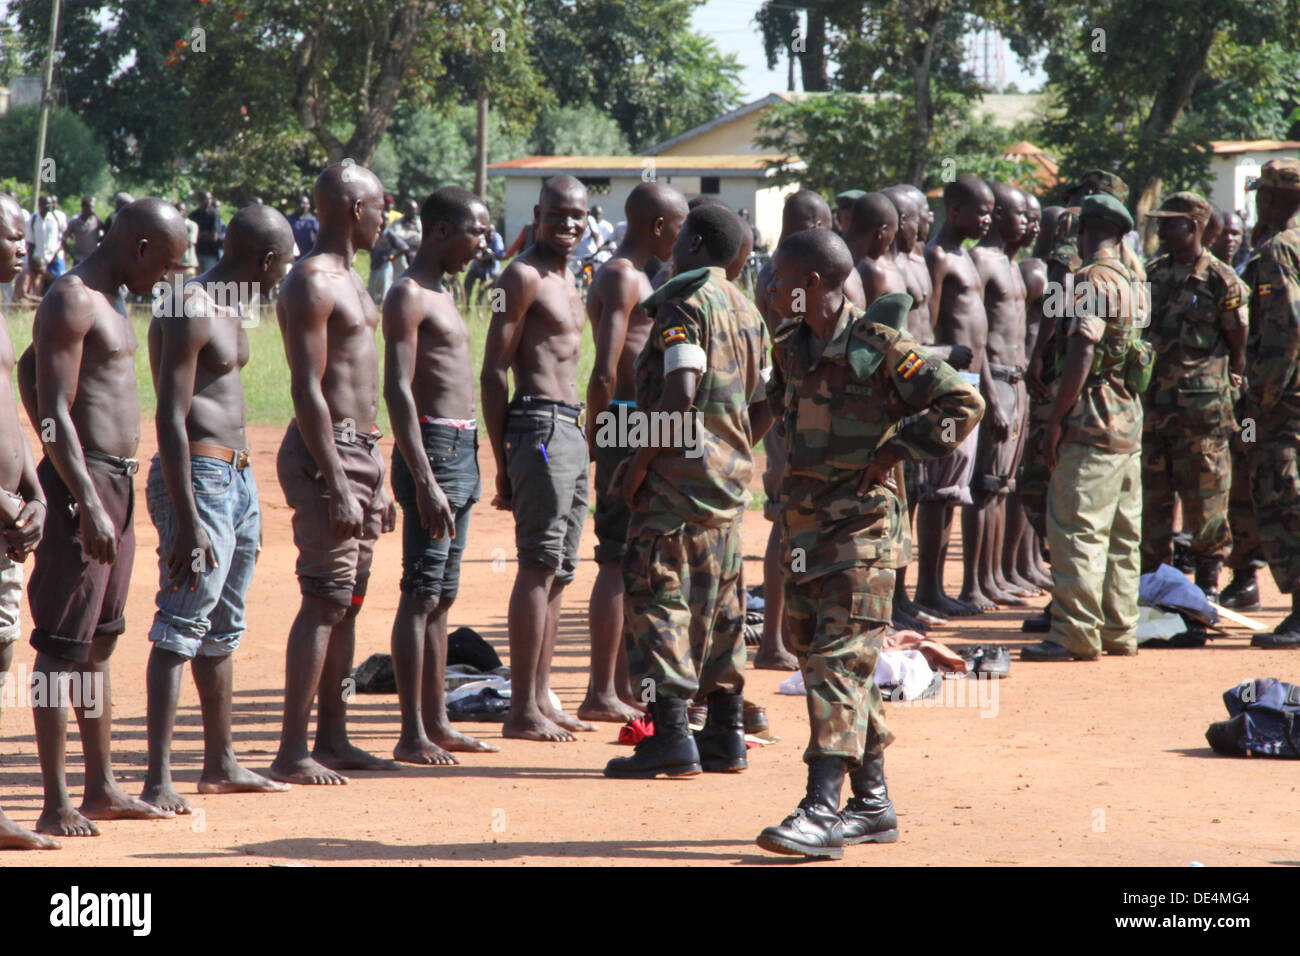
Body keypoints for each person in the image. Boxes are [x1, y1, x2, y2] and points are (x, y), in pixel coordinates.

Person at [755, 229, 982, 859]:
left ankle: (820, 808)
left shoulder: (879, 346)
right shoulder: (789, 345)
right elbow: (777, 408)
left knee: (835, 662)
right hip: (804, 531)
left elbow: (963, 401)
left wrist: (900, 449)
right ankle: (874, 804)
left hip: (864, 536)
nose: (770, 287)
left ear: (814, 285)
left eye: (780, 277)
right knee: (829, 665)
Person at [19, 198, 189, 836]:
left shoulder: (112, 298)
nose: (169, 278)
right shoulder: (74, 297)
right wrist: (85, 497)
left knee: (101, 640)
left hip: (114, 484)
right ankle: (56, 798)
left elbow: (25, 371)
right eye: (167, 265)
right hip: (82, 488)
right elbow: (53, 409)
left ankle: (100, 786)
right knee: (60, 646)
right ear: (140, 247)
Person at [604, 203, 771, 779]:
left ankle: (670, 736)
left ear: (695, 244)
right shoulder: (748, 309)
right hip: (725, 487)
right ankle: (726, 735)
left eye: (682, 237)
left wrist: (639, 463)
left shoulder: (685, 301)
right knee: (722, 612)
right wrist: (735, 445)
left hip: (676, 486)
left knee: (658, 605)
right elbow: (769, 402)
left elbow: (679, 392)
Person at [140, 205, 296, 811]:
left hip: (238, 477)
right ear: (262, 260)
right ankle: (158, 778)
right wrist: (188, 520)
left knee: (224, 626)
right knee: (181, 623)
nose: (282, 276)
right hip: (199, 479)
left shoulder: (230, 307)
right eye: (281, 264)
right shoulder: (190, 305)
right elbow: (170, 418)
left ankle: (221, 763)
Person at [269, 162, 400, 784]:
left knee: (348, 602)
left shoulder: (355, 280)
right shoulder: (312, 283)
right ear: (354, 209)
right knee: (323, 601)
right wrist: (341, 482)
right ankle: (293, 750)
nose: (385, 217)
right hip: (328, 460)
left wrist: (379, 473)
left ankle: (334, 736)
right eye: (380, 207)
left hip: (360, 455)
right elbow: (307, 390)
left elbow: (362, 388)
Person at [382, 187, 499, 764]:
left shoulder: (444, 292)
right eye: (476, 233)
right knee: (420, 592)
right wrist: (425, 480)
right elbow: (397, 389)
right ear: (441, 232)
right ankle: (411, 732)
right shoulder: (407, 295)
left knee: (443, 596)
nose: (484, 244)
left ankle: (437, 721)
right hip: (432, 448)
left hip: (461, 446)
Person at [483, 175, 596, 742]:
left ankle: (540, 698)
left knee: (560, 570)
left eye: (578, 216)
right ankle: (519, 709)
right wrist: (502, 460)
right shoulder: (520, 275)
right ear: (538, 212)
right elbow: (492, 370)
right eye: (559, 215)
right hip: (538, 425)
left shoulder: (570, 271)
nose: (569, 225)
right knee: (537, 562)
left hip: (571, 427)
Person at [582, 181, 688, 723]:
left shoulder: (647, 276)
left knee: (631, 557)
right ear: (655, 226)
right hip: (621, 420)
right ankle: (601, 689)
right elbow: (605, 366)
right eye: (677, 225)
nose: (681, 234)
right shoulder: (623, 275)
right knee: (614, 556)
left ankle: (619, 683)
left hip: (635, 421)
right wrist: (599, 433)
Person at [1023, 194, 1145, 661]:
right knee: (1120, 535)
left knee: (1077, 529)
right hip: (1127, 420)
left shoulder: (1091, 279)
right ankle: (1118, 629)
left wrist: (1055, 421)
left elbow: (1083, 349)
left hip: (1090, 421)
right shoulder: (1133, 279)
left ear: (1086, 228)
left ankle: (1073, 633)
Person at [751, 191, 866, 672]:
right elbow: (796, 347)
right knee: (787, 521)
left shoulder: (789, 272)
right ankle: (774, 639)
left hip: (808, 409)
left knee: (803, 522)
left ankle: (794, 634)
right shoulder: (784, 278)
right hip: (794, 409)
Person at [1140, 192, 1246, 607]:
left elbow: (1237, 341)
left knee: (1205, 501)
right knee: (1153, 502)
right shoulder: (1152, 273)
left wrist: (1228, 377)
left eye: (1169, 222)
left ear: (1194, 227)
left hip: (1202, 414)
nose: (1161, 229)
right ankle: (1154, 583)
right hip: (1154, 412)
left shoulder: (1221, 279)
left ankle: (1206, 586)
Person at [915, 175, 998, 618]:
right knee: (935, 491)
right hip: (947, 386)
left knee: (953, 492)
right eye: (979, 210)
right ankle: (926, 589)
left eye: (990, 211)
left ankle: (938, 589)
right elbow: (928, 331)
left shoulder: (967, 256)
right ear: (955, 210)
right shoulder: (938, 257)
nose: (987, 219)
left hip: (972, 386)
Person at [0, 195, 56, 850]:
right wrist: (10, 504)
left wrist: (34, 488)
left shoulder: (6, 315)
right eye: (15, 237)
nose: (25, 248)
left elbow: (10, 418)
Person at [1239, 159, 1300, 645]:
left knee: (1286, 500)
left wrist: (1261, 396)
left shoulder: (1280, 248)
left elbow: (1286, 327)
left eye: (1262, 193)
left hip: (1286, 404)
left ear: (1275, 199)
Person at [969, 181, 1032, 606]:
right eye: (1021, 215)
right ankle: (974, 583)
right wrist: (990, 397)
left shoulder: (1012, 263)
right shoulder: (982, 261)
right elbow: (976, 336)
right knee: (985, 486)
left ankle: (995, 576)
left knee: (1003, 488)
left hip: (1018, 381)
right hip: (995, 381)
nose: (1027, 223)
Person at [844, 192, 907, 303]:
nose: (891, 243)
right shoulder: (842, 270)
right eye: (894, 233)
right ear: (880, 233)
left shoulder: (847, 263)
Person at [463, 222, 505, 307]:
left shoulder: (497, 238)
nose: (490, 234)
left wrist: (492, 253)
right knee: (468, 281)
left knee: (501, 282)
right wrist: (480, 256)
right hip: (478, 267)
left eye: (492, 232)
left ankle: (499, 309)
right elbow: (472, 251)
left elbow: (499, 252)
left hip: (492, 268)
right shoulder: (479, 238)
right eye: (488, 232)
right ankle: (466, 305)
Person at [61, 196, 102, 267]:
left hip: (94, 260)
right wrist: (73, 256)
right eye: (91, 207)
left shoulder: (96, 220)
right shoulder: (75, 222)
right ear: (84, 207)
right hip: (80, 261)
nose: (93, 210)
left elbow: (106, 232)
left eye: (94, 208)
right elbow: (64, 240)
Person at [189, 191, 224, 273]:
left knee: (209, 282)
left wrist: (198, 234)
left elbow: (213, 237)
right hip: (196, 254)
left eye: (210, 199)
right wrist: (205, 233)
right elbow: (190, 236)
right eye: (205, 199)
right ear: (199, 200)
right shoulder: (193, 215)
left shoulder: (214, 214)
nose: (208, 201)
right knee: (197, 282)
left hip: (210, 255)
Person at [287, 194, 319, 261]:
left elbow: (319, 236)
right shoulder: (289, 220)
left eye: (307, 204)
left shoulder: (312, 221)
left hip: (308, 257)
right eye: (303, 203)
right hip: (293, 257)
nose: (305, 206)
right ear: (296, 205)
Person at [174, 201, 199, 279]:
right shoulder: (169, 225)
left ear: (185, 212)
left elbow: (189, 243)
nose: (178, 212)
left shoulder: (191, 225)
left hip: (187, 267)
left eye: (181, 210)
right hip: (172, 268)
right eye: (176, 209)